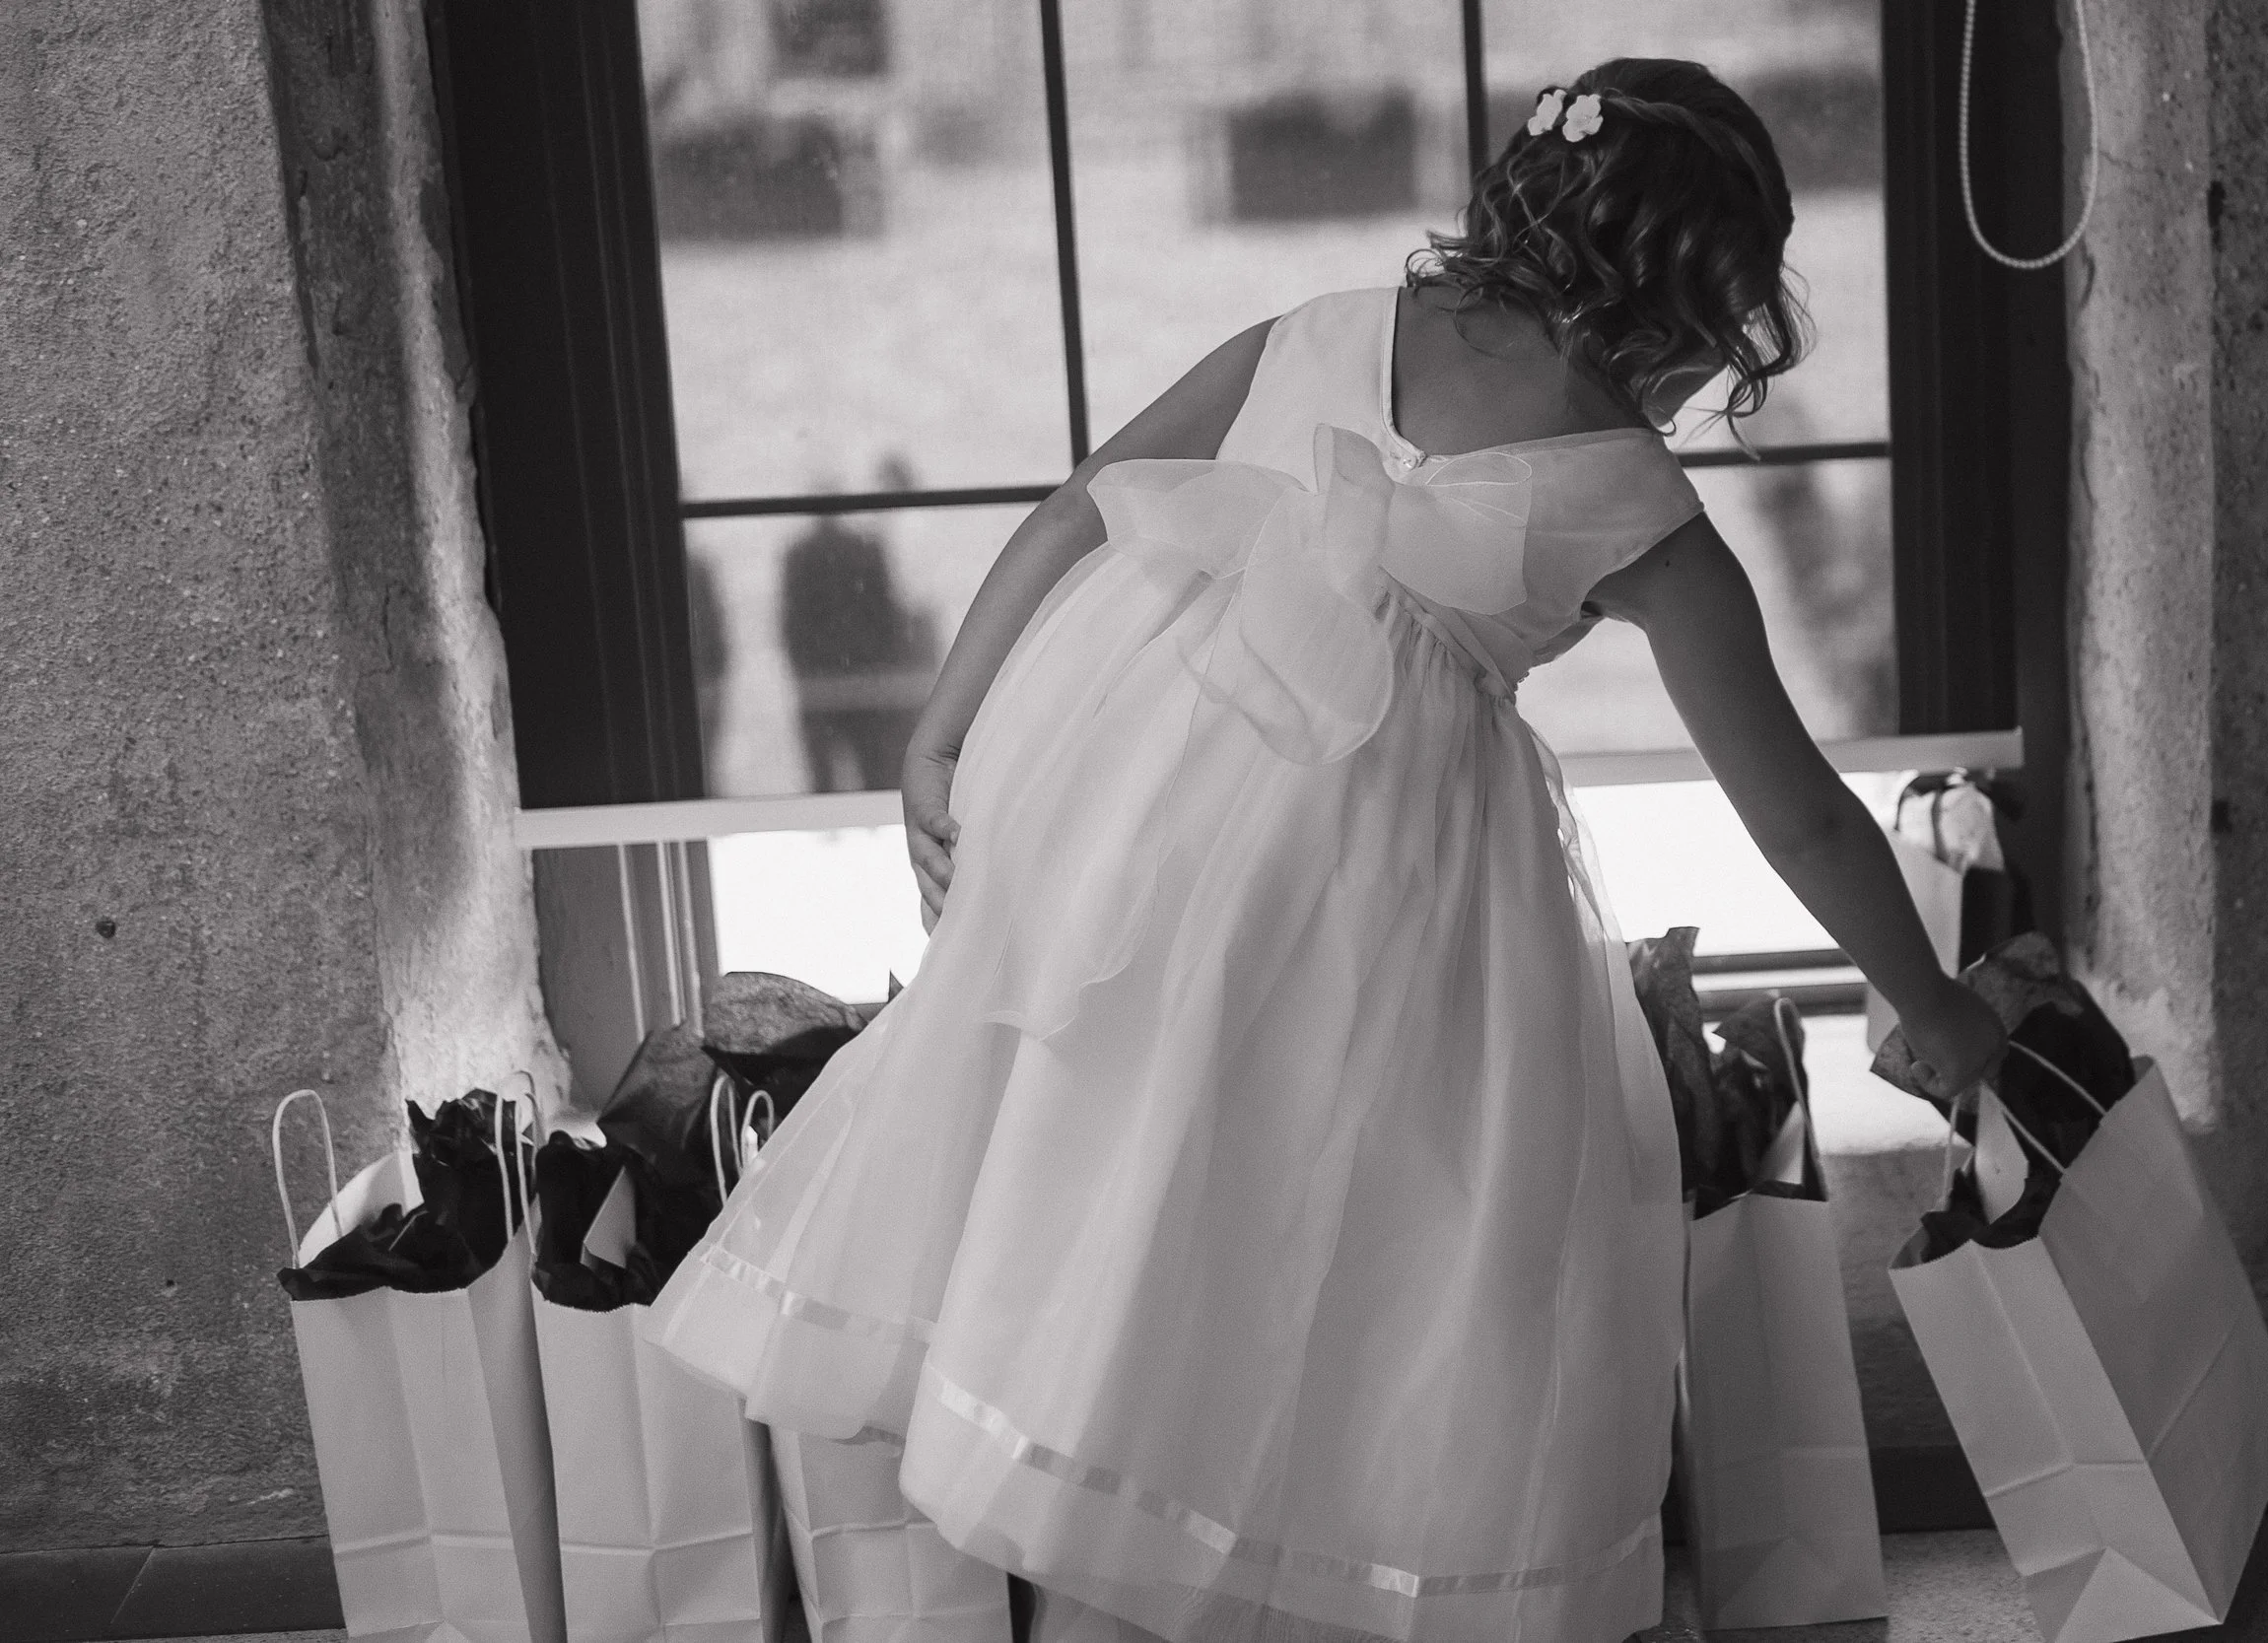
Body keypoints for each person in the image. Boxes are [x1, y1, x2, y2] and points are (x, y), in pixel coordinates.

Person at [651, 56, 2010, 1643]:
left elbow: (1077, 510)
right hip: (1382, 909)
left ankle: (1110, 1560)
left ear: (1521, 200)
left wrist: (938, 732)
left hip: (1139, 825)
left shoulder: (1321, 330)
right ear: (1698, 304)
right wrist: (1930, 994)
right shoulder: (1645, 514)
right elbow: (1800, 812)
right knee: (1371, 1263)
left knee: (1132, 1204)